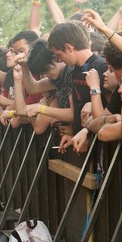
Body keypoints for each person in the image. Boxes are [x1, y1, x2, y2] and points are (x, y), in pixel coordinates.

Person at [47, 20, 108, 153]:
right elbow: (78, 108)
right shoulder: (74, 69)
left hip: (102, 144)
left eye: (59, 55)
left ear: (69, 47)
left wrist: (88, 134)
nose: (60, 60)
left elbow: (110, 109)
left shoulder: (101, 67)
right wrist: (74, 133)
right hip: (82, 142)